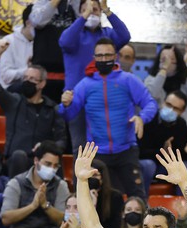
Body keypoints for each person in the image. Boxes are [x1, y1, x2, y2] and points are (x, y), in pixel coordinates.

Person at [59, 37, 156, 199]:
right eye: (100, 56)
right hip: (98, 152)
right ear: (94, 58)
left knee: (138, 197)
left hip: (126, 150)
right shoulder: (85, 84)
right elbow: (68, 114)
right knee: (97, 199)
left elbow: (150, 103)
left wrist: (141, 117)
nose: (104, 59)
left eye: (108, 55)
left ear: (115, 56)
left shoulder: (128, 80)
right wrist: (65, 104)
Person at [0, 38, 67, 178]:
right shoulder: (13, 101)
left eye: (32, 79)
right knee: (19, 156)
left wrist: (46, 147)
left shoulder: (52, 109)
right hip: (16, 161)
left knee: (54, 162)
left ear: (42, 84)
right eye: (25, 78)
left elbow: (62, 140)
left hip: (42, 162)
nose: (27, 82)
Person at [59, 0, 131, 151]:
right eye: (86, 10)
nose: (91, 13)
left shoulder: (108, 35)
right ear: (80, 13)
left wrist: (107, 11)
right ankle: (78, 176)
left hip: (104, 97)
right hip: (76, 97)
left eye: (95, 10)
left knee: (104, 147)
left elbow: (125, 36)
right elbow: (64, 42)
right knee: (80, 148)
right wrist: (83, 17)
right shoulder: (74, 35)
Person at [0, 140, 68, 228]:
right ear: (36, 161)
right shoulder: (16, 183)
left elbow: (63, 220)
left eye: (55, 166)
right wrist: (33, 206)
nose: (51, 169)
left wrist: (45, 205)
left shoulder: (61, 186)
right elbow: (6, 218)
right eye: (48, 164)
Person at [138, 91, 187, 185]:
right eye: (168, 104)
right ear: (163, 102)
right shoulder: (148, 120)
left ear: (181, 112)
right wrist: (162, 151)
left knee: (184, 167)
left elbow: (179, 152)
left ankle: (185, 199)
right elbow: (139, 151)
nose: (170, 109)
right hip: (147, 162)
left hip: (166, 166)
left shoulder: (181, 125)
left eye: (175, 108)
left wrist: (185, 150)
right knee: (149, 165)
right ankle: (141, 198)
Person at [144, 44, 187, 122]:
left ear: (178, 63)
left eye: (171, 59)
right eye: (163, 59)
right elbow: (153, 93)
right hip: (157, 124)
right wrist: (164, 69)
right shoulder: (151, 79)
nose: (167, 62)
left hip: (182, 124)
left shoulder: (185, 80)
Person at [29, 0, 77, 103]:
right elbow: (36, 21)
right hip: (42, 75)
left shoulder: (75, 3)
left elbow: (85, 22)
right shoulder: (41, 3)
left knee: (66, 114)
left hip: (69, 74)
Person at [0, 3, 34, 91]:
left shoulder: (42, 42)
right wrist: (28, 72)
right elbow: (6, 76)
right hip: (11, 90)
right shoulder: (8, 41)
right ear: (28, 23)